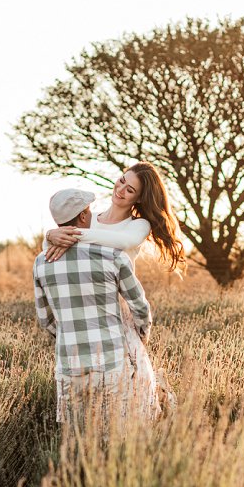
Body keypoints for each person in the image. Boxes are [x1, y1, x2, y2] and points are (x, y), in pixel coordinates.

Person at [43, 162, 185, 413]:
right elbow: (52, 255)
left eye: (130, 190)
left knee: (131, 384)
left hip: (116, 309)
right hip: (82, 305)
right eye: (121, 180)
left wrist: (65, 233)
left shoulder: (137, 226)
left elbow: (122, 241)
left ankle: (153, 419)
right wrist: (50, 235)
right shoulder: (89, 217)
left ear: (139, 198)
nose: (120, 190)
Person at [33, 188, 155, 433]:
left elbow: (45, 319)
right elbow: (140, 306)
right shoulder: (112, 256)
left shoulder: (41, 262)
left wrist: (70, 335)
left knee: (78, 439)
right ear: (82, 216)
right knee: (115, 437)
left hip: (69, 365)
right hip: (111, 362)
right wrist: (141, 335)